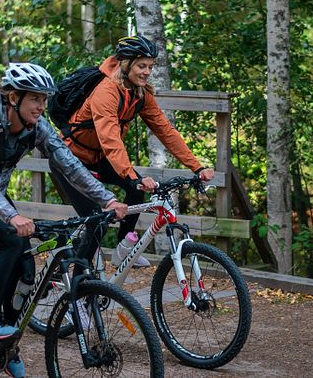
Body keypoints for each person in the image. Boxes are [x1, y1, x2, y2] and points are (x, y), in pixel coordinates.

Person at [0, 63, 127, 378]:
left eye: (44, 99)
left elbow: (69, 164)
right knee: (12, 241)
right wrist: (12, 216)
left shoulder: (36, 126)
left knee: (26, 266)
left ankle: (5, 343)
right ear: (13, 97)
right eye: (35, 99)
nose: (41, 106)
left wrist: (106, 198)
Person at [51, 35, 215, 268]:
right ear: (125, 64)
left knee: (135, 191)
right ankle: (80, 283)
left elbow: (165, 130)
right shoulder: (105, 92)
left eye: (150, 66)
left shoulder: (140, 94)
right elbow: (111, 140)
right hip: (69, 159)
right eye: (142, 66)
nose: (147, 71)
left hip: (98, 159)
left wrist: (196, 166)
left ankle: (123, 250)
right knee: (97, 221)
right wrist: (130, 175)